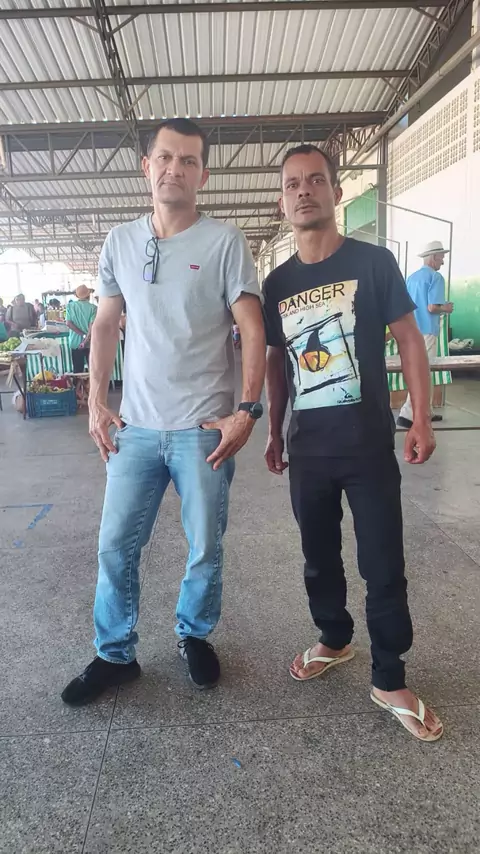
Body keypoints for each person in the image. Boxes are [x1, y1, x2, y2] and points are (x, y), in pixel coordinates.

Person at [62, 117, 265, 707]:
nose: (175, 168)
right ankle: (114, 655)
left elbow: (252, 327)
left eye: (189, 160)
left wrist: (247, 410)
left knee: (205, 545)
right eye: (166, 157)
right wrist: (96, 401)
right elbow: (105, 324)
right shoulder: (120, 242)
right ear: (146, 167)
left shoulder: (224, 242)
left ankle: (193, 635)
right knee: (115, 546)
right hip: (136, 428)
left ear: (203, 174)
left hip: (204, 430)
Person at [262, 144, 443, 742]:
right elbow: (277, 363)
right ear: (282, 201)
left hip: (368, 448)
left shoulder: (373, 262)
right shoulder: (278, 283)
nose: (304, 191)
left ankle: (389, 676)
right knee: (318, 558)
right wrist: (273, 430)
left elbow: (409, 340)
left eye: (316, 180)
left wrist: (421, 418)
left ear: (336, 193)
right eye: (293, 184)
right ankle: (334, 638)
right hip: (308, 451)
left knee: (383, 564)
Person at [397, 240, 453, 428]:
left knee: (417, 370)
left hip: (412, 330)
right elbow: (432, 307)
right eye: (441, 258)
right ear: (434, 257)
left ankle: (425, 411)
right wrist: (446, 308)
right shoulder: (436, 277)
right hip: (427, 330)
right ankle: (407, 414)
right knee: (423, 373)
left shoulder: (411, 278)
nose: (442, 262)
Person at [65, 286, 97, 373]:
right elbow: (92, 326)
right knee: (93, 370)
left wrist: (82, 335)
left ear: (77, 296)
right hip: (90, 343)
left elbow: (68, 323)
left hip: (75, 342)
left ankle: (78, 382)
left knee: (78, 370)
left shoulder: (70, 306)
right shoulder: (93, 308)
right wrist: (85, 340)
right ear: (88, 295)